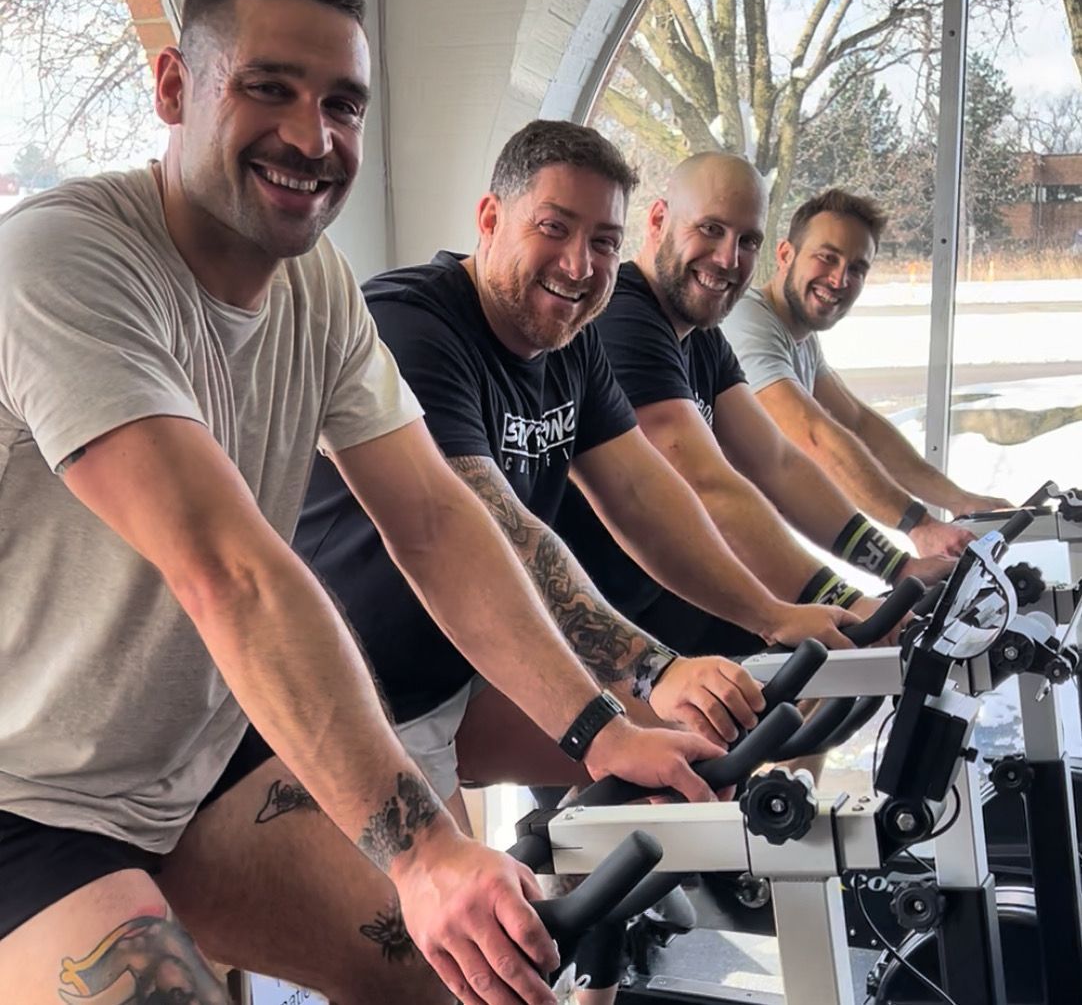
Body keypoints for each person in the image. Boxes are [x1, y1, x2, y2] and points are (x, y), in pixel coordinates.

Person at [0, 0, 732, 1005]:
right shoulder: (67, 263)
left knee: (462, 980)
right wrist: (425, 852)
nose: (312, 136)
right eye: (268, 88)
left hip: (190, 770)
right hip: (27, 796)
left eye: (342, 103)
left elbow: (435, 518)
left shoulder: (314, 289)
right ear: (173, 88)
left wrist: (600, 723)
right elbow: (231, 572)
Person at [295, 121, 868, 841]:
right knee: (452, 942)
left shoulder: (571, 343)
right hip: (362, 697)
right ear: (489, 219)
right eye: (554, 228)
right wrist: (655, 670)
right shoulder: (412, 325)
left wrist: (769, 613)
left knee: (710, 754)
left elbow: (643, 495)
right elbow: (496, 527)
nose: (579, 264)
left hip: (470, 673)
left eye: (602, 242)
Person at [555, 154, 953, 660]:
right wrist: (845, 599)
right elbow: (705, 483)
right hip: (593, 613)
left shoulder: (702, 338)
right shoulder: (624, 319)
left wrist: (897, 569)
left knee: (825, 677)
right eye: (711, 229)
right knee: (806, 679)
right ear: (659, 221)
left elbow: (778, 463)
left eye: (747, 241)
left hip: (663, 589)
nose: (728, 259)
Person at [725, 188, 1011, 559]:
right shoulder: (747, 321)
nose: (840, 280)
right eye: (827, 258)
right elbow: (812, 436)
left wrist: (961, 501)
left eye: (857, 268)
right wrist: (919, 526)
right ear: (785, 255)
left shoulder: (801, 337)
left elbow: (859, 424)